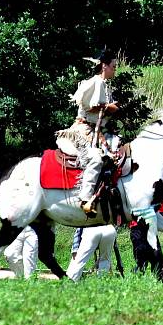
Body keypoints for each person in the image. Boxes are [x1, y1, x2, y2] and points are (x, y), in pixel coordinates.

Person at [56, 49, 120, 216]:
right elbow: (89, 106)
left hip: (96, 130)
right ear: (104, 66)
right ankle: (85, 200)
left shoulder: (104, 84)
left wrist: (109, 109)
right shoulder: (96, 82)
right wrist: (108, 107)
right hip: (83, 130)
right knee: (96, 158)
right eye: (113, 66)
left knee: (117, 152)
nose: (115, 69)